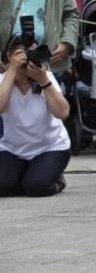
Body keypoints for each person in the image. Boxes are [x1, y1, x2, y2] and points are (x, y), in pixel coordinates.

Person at [0, 35, 71, 197]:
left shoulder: (45, 77)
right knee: (3, 187)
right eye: (21, 53)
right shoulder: (2, 80)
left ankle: (57, 180)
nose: (27, 58)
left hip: (50, 148)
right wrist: (12, 70)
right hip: (12, 149)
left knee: (36, 187)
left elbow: (63, 113)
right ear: (10, 55)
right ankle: (27, 174)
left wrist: (43, 81)